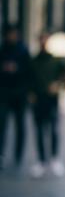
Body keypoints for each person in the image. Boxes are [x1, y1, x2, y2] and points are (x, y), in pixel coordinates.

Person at [29, 33, 65, 178]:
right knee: (39, 131)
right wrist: (30, 94)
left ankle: (54, 159)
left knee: (53, 130)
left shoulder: (56, 61)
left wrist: (57, 85)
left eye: (45, 40)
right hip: (38, 102)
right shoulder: (33, 61)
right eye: (41, 39)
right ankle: (41, 161)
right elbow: (28, 79)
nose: (43, 42)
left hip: (52, 101)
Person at [0, 24, 32, 170]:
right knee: (2, 125)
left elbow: (28, 71)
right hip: (5, 93)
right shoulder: (3, 49)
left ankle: (18, 155)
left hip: (19, 94)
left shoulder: (23, 50)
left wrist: (16, 68)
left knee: (20, 126)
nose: (12, 36)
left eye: (14, 33)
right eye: (10, 34)